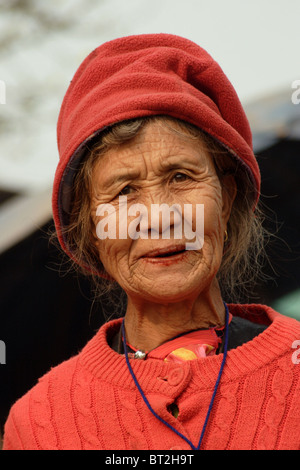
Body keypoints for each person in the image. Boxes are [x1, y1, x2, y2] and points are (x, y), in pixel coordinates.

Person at [3, 33, 300, 451]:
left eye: (180, 177)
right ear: (89, 228)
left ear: (227, 198)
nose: (159, 218)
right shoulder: (39, 422)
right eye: (124, 192)